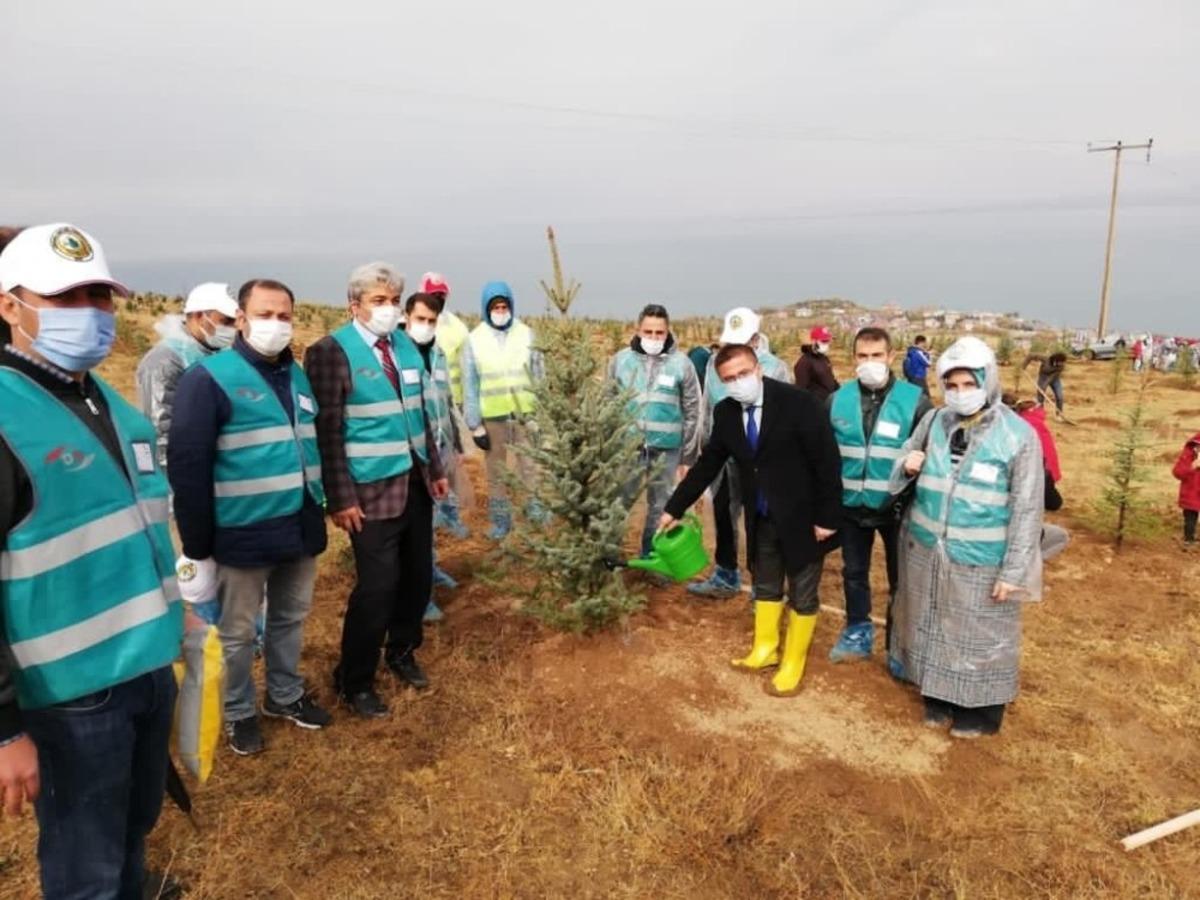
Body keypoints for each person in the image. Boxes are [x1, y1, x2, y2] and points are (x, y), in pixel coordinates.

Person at [0, 223, 183, 897]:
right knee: (86, 868)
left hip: (146, 670)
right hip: (73, 697)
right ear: (8, 306)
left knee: (131, 827)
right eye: (65, 297)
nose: (90, 314)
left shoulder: (111, 406)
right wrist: (4, 733)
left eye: (99, 297)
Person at [169, 278, 332, 755]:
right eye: (265, 314)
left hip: (299, 526)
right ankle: (239, 710)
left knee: (290, 618)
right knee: (239, 633)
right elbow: (188, 466)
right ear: (241, 319)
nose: (276, 324)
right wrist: (197, 550)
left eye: (284, 315)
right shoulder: (209, 379)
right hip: (243, 533)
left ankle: (284, 694)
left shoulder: (297, 375)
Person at [304, 267, 449, 715]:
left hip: (415, 484)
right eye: (379, 300)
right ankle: (355, 679)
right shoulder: (330, 352)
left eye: (394, 300)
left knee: (416, 577)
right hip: (368, 492)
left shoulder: (404, 345)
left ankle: (402, 650)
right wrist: (340, 498)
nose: (389, 309)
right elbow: (326, 432)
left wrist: (436, 468)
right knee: (378, 587)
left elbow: (420, 412)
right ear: (355, 306)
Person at [660, 344, 841, 695]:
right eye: (729, 378)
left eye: (743, 373)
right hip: (761, 516)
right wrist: (674, 507)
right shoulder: (727, 413)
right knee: (766, 586)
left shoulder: (799, 404)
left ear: (758, 369)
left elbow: (827, 463)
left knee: (803, 592)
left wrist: (827, 517)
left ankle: (792, 663)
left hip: (804, 518)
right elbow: (708, 464)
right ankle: (765, 648)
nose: (738, 382)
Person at [890, 336, 1043, 739]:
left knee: (979, 635)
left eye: (968, 384)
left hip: (982, 556)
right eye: (952, 385)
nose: (959, 394)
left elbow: (1027, 508)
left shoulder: (1018, 436)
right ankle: (937, 699)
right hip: (928, 549)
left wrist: (1014, 571)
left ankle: (979, 712)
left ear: (988, 381)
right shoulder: (934, 422)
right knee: (932, 623)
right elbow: (903, 459)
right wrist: (907, 466)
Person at [827, 327, 930, 663]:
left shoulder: (915, 402)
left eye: (876, 356)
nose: (869, 362)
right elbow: (824, 455)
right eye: (862, 356)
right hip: (852, 507)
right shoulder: (837, 400)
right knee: (853, 572)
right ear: (853, 358)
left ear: (891, 357)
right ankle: (857, 631)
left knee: (900, 578)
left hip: (897, 508)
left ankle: (899, 644)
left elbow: (932, 452)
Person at [688, 308, 792, 598]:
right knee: (723, 512)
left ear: (756, 339)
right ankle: (725, 573)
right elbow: (707, 407)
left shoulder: (776, 368)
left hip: (761, 460)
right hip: (724, 456)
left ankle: (766, 584)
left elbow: (786, 417)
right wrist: (704, 447)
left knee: (761, 519)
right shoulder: (712, 365)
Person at [608, 304, 702, 557]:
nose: (653, 338)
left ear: (667, 331)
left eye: (658, 333)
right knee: (620, 500)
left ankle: (652, 554)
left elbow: (693, 409)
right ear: (638, 330)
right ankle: (609, 554)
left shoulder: (682, 364)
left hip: (667, 449)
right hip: (628, 446)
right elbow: (607, 403)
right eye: (648, 332)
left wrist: (688, 456)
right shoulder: (620, 361)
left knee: (661, 506)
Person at [461, 281, 542, 539]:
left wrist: (539, 413)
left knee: (529, 467)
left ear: (511, 306)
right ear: (486, 309)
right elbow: (470, 383)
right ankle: (500, 521)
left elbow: (540, 374)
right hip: (492, 419)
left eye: (504, 305)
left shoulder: (527, 334)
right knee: (497, 473)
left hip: (524, 417)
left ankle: (536, 512)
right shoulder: (474, 340)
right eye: (495, 306)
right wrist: (475, 425)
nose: (500, 310)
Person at [397, 290, 459, 620]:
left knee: (430, 525)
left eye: (432, 321)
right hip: (411, 456)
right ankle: (421, 599)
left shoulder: (438, 356)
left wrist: (456, 444)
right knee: (413, 529)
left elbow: (444, 403)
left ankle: (431, 572)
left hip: (439, 449)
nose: (425, 326)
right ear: (406, 317)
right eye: (420, 319)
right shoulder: (395, 355)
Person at [136, 282, 239, 467]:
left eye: (235, 321)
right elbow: (160, 428)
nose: (233, 328)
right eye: (226, 321)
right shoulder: (165, 360)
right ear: (201, 316)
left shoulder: (220, 353)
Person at [422, 273, 471, 540]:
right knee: (429, 466)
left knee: (450, 465)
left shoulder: (456, 327)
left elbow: (466, 366)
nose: (438, 298)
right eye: (433, 293)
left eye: (441, 294)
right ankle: (431, 519)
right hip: (423, 408)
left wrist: (464, 405)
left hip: (449, 401)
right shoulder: (410, 324)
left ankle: (450, 516)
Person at [1004, 393, 1070, 560]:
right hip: (1012, 533)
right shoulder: (1031, 428)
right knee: (1059, 536)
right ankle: (1026, 564)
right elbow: (1054, 503)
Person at [793, 325, 839, 402]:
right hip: (817, 405)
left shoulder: (824, 359)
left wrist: (841, 391)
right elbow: (801, 390)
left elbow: (831, 380)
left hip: (830, 403)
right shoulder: (804, 363)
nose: (827, 344)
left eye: (828, 341)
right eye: (824, 341)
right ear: (814, 341)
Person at [1172, 432, 1200, 547]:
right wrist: (1192, 467)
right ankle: (1189, 541)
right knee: (1190, 519)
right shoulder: (1188, 455)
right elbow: (1177, 472)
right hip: (1190, 494)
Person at [1022, 350, 1066, 415]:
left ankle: (1059, 414)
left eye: (1063, 362)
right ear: (1056, 360)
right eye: (1061, 362)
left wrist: (1044, 385)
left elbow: (1051, 377)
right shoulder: (1046, 358)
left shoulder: (1061, 367)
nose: (1062, 364)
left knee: (1060, 397)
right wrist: (1023, 366)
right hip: (1043, 377)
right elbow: (1030, 355)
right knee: (1040, 396)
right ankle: (1040, 412)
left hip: (1054, 379)